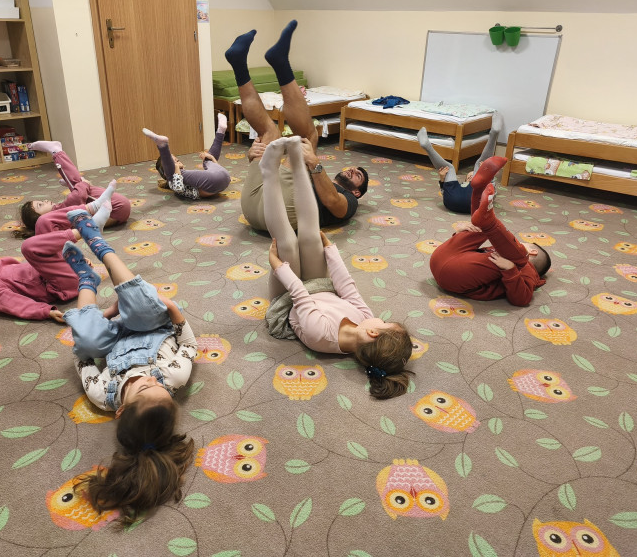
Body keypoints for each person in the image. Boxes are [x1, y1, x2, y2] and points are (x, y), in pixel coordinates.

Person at [59, 207, 196, 526]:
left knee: (86, 338)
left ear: (120, 410)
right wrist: (172, 309)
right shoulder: (173, 377)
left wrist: (106, 315)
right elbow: (188, 346)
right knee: (141, 304)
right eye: (163, 391)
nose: (153, 382)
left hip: (115, 332)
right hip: (152, 325)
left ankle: (87, 280)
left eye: (145, 389)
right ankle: (95, 239)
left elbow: (81, 358)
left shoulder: (102, 396)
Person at [261, 136, 413, 400]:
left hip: (287, 301)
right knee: (311, 236)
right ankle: (297, 160)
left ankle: (268, 170)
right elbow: (347, 288)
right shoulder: (364, 320)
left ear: (374, 332)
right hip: (318, 285)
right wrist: (330, 249)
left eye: (384, 322)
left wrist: (277, 266)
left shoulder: (321, 336)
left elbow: (298, 294)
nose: (380, 318)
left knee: (286, 243)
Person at [224, 20, 369, 231]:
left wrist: (315, 164)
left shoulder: (349, 199)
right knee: (270, 132)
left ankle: (281, 63)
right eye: (353, 169)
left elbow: (332, 202)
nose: (352, 170)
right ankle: (238, 63)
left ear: (357, 191)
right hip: (255, 202)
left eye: (358, 175)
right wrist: (255, 155)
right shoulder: (316, 178)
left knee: (309, 138)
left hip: (280, 218)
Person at [0, 204, 110, 321]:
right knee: (29, 247)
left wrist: (69, 262)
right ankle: (88, 229)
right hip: (58, 285)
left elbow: (36, 268)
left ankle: (90, 208)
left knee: (43, 222)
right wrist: (45, 311)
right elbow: (10, 302)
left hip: (58, 275)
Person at [429, 158, 551, 307]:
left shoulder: (527, 269)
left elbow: (522, 299)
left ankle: (487, 221)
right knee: (481, 229)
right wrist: (461, 234)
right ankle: (478, 192)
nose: (515, 242)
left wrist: (511, 269)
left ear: (533, 252)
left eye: (522, 243)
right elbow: (468, 257)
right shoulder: (501, 252)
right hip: (441, 258)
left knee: (518, 258)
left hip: (454, 277)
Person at [13, 141, 131, 239]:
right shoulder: (58, 212)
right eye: (41, 205)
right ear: (40, 218)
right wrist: (83, 184)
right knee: (78, 183)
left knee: (79, 188)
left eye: (41, 201)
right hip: (117, 207)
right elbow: (78, 197)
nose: (45, 201)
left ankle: (73, 183)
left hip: (118, 213)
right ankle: (56, 151)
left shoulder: (58, 222)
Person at [417, 111, 504, 214]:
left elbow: (444, 192)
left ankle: (427, 147)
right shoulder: (465, 186)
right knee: (481, 164)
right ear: (465, 181)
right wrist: (488, 174)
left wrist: (442, 179)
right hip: (468, 203)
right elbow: (491, 194)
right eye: (470, 176)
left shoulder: (464, 187)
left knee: (450, 168)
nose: (471, 177)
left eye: (471, 176)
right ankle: (494, 134)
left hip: (452, 202)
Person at [142, 113, 231, 200]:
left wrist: (212, 158)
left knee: (207, 159)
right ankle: (163, 146)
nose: (178, 163)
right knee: (174, 174)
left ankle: (221, 130)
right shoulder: (172, 181)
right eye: (174, 163)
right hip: (221, 180)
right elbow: (179, 188)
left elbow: (218, 170)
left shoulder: (185, 175)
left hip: (224, 176)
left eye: (177, 160)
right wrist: (176, 168)